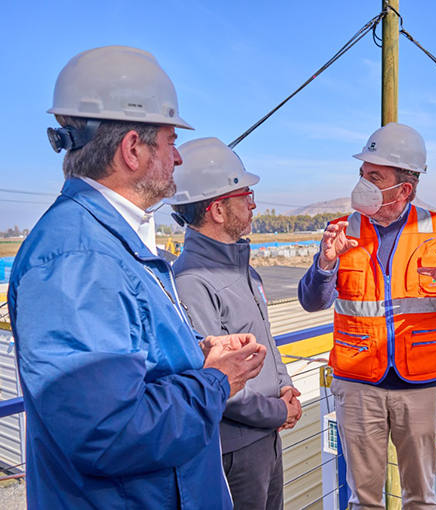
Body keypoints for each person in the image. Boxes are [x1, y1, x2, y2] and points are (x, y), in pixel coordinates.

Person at [8, 46, 267, 509]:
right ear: (132, 149)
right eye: (169, 141)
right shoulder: (76, 259)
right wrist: (215, 381)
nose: (178, 158)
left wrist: (196, 353)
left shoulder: (104, 240)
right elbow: (107, 431)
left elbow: (132, 360)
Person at [298, 122, 436, 510]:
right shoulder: (341, 231)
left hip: (420, 386)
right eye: (362, 174)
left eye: (374, 176)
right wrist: (326, 263)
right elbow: (312, 301)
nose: (362, 183)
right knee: (363, 501)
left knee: (421, 499)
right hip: (358, 384)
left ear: (404, 190)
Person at [166, 137, 302, 510]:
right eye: (245, 195)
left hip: (265, 436)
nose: (254, 203)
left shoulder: (243, 269)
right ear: (218, 211)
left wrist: (286, 389)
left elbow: (266, 342)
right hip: (236, 451)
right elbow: (217, 380)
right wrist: (279, 410)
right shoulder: (192, 281)